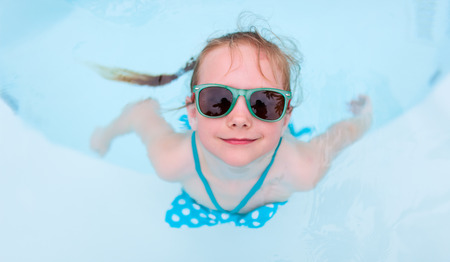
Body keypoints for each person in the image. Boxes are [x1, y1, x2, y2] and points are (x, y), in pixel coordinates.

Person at [90, 29, 372, 228]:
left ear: (286, 118)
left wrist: (364, 117)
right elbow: (140, 118)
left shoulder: (303, 169)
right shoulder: (172, 160)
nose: (240, 118)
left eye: (264, 102)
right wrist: (107, 133)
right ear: (193, 113)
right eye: (217, 100)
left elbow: (340, 135)